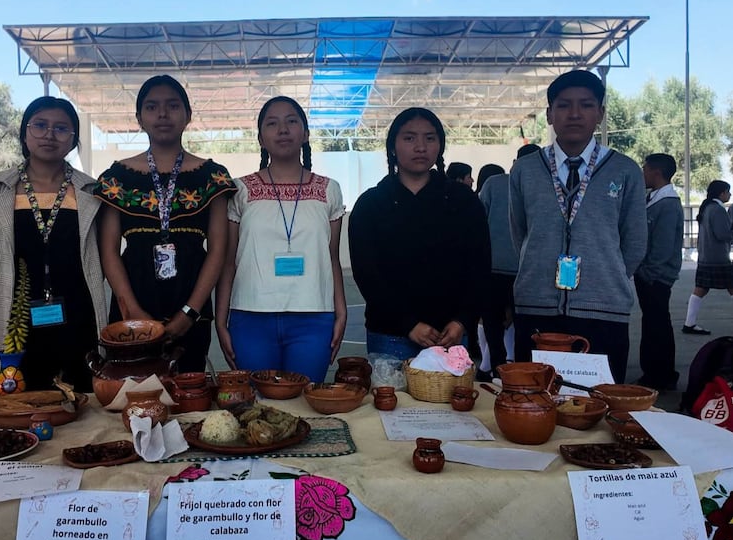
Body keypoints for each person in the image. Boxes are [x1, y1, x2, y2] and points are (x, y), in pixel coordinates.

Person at [0, 96, 107, 394]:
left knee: (84, 400)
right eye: (40, 125)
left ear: (73, 139)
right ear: (25, 134)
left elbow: (101, 256)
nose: (49, 135)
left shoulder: (91, 192)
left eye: (61, 128)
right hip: (16, 318)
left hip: (80, 318)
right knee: (15, 398)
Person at [509, 70, 647, 383]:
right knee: (533, 397)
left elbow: (635, 242)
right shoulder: (526, 170)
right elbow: (520, 233)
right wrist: (539, 263)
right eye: (563, 105)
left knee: (599, 400)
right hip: (536, 307)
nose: (574, 114)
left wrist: (604, 273)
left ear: (600, 113)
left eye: (585, 105)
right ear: (549, 114)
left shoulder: (625, 170)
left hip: (603, 309)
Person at [95, 75, 236, 372]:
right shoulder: (116, 178)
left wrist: (190, 312)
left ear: (188, 115)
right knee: (131, 390)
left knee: (189, 391)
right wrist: (133, 312)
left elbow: (218, 250)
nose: (162, 114)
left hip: (192, 304)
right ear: (139, 118)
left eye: (172, 105)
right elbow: (108, 252)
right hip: (132, 305)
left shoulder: (213, 177)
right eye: (152, 107)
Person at [215, 97, 346, 382]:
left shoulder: (329, 190)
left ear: (306, 133)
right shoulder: (240, 190)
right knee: (257, 403)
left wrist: (341, 312)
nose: (283, 130)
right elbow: (229, 261)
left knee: (305, 401)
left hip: (313, 316)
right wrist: (220, 320)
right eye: (272, 123)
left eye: (291, 121)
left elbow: (332, 258)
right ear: (261, 138)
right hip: (250, 316)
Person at [349, 107, 490, 360]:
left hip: (451, 335)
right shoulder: (371, 204)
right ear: (393, 146)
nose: (421, 147)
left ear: (440, 145)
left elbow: (479, 266)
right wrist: (408, 324)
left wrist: (462, 320)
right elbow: (367, 274)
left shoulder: (464, 201)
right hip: (389, 335)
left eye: (430, 138)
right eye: (409, 138)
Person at [476, 144, 540, 379]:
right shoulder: (544, 186)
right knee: (525, 326)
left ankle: (495, 369)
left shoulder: (494, 183)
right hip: (527, 270)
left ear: (514, 162)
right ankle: (522, 374)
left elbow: (478, 220)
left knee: (492, 323)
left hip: (492, 268)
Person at [634, 153, 683, 391]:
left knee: (657, 324)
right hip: (651, 274)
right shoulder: (655, 199)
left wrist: (648, 272)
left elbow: (663, 246)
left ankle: (660, 374)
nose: (642, 173)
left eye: (645, 169)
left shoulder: (667, 203)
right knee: (654, 322)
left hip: (656, 276)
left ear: (656, 172)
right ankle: (655, 371)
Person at [682, 180, 733, 335]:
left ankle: (689, 323)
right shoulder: (718, 210)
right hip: (719, 259)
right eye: (728, 191)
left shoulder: (707, 208)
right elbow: (723, 234)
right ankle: (689, 324)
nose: (730, 194)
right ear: (721, 193)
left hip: (706, 257)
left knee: (700, 289)